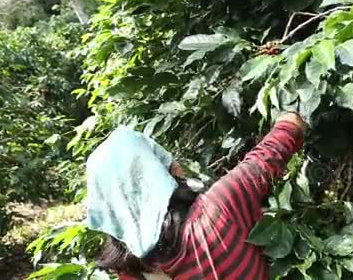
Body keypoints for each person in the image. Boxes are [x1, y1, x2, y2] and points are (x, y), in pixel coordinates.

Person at [85, 112, 306, 280]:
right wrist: (289, 114)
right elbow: (281, 140)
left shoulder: (130, 269)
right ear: (163, 173)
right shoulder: (221, 205)